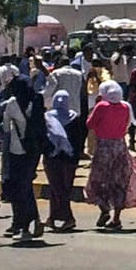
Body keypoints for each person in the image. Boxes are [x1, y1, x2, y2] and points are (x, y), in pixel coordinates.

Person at [85, 80, 136, 229]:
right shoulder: (125, 107)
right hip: (120, 146)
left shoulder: (102, 106)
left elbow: (89, 124)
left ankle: (104, 209)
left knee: (98, 180)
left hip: (104, 147)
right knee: (119, 182)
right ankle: (116, 218)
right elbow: (127, 125)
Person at [0, 79, 43, 240]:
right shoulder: (36, 100)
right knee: (26, 186)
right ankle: (26, 221)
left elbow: (5, 127)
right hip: (34, 150)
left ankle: (24, 225)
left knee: (18, 188)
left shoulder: (12, 103)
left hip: (17, 150)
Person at [40, 90, 86, 231]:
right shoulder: (74, 117)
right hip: (69, 158)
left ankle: (68, 218)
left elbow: (43, 137)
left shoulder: (47, 117)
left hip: (52, 157)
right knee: (61, 188)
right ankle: (52, 217)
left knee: (57, 188)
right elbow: (79, 139)